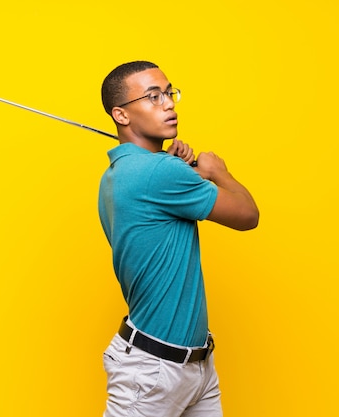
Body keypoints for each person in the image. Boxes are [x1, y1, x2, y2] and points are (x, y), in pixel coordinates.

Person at [98, 60, 259, 417]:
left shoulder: (116, 175)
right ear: (121, 116)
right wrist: (218, 172)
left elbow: (155, 209)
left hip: (196, 364)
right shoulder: (160, 172)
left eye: (169, 93)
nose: (169, 103)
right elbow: (248, 216)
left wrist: (174, 167)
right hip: (153, 370)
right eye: (153, 97)